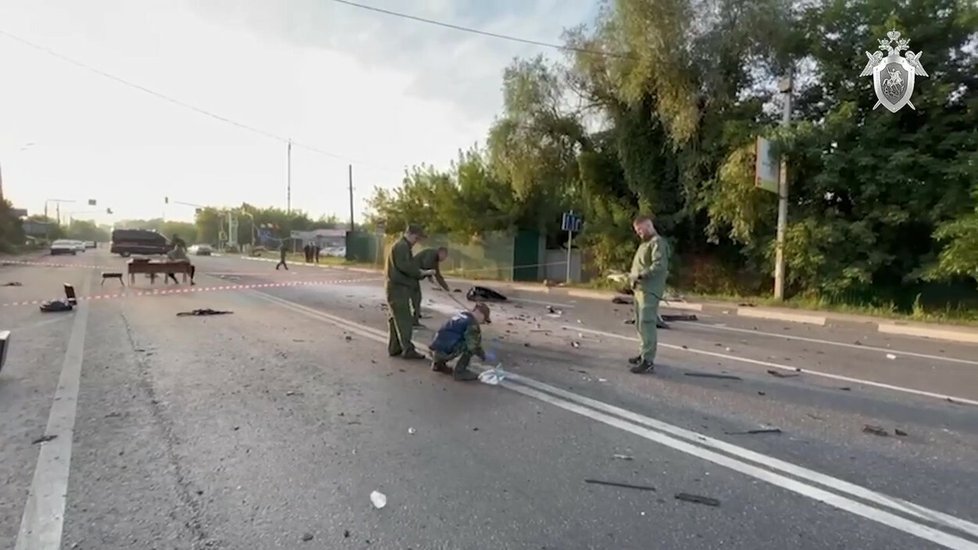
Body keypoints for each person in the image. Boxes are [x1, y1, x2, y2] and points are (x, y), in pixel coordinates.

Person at [384, 225, 437, 360]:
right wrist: (422, 272)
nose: (417, 241)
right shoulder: (401, 246)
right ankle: (408, 350)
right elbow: (406, 267)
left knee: (395, 319)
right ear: (410, 234)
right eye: (417, 238)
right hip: (398, 289)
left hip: (396, 288)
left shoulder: (402, 246)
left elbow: (406, 266)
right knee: (404, 320)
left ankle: (395, 347)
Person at [627, 215, 670, 374]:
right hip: (640, 289)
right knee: (639, 323)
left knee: (647, 322)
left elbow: (659, 266)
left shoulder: (657, 243)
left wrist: (641, 275)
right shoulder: (645, 244)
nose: (638, 233)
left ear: (648, 226)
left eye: (640, 230)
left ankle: (648, 360)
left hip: (649, 290)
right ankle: (643, 353)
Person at [429, 303, 492, 381]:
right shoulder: (472, 324)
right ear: (481, 314)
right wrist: (482, 354)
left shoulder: (459, 316)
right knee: (471, 346)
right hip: (445, 353)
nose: (482, 323)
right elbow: (473, 346)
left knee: (453, 338)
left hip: (434, 349)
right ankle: (460, 372)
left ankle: (437, 364)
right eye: (484, 319)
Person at [410, 246, 450, 327]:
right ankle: (414, 320)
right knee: (416, 298)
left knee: (417, 298)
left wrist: (446, 288)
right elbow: (426, 265)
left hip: (414, 277)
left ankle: (415, 318)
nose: (444, 259)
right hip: (411, 275)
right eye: (445, 256)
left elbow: (437, 274)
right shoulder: (431, 254)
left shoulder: (435, 258)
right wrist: (429, 275)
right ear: (441, 253)